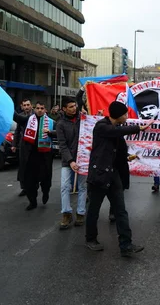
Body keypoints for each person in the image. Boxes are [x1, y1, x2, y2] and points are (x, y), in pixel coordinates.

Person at [85, 101, 153, 256]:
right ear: (120, 115)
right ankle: (90, 239)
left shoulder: (116, 129)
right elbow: (114, 132)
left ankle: (126, 245)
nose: (127, 117)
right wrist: (138, 128)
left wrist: (128, 157)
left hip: (114, 174)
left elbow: (118, 150)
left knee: (121, 211)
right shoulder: (102, 126)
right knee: (93, 210)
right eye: (125, 114)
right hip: (100, 175)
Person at [13, 101, 56, 211]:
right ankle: (32, 201)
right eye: (37, 108)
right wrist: (6, 106)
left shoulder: (51, 122)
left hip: (45, 157)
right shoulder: (28, 120)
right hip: (30, 157)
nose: (40, 110)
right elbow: (16, 118)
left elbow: (60, 132)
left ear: (45, 110)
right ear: (34, 109)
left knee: (46, 181)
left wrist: (50, 132)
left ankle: (45, 193)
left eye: (42, 108)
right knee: (30, 181)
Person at [57, 96, 86, 229]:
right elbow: (62, 145)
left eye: (75, 106)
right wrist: (70, 161)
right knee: (64, 186)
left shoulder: (83, 118)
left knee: (82, 187)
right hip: (67, 161)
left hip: (83, 159)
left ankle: (80, 213)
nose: (74, 108)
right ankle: (66, 213)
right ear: (64, 109)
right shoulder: (61, 124)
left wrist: (93, 117)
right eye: (71, 107)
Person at [12, 99, 33, 197]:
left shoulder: (35, 115)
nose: (26, 107)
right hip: (23, 145)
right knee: (22, 167)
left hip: (33, 146)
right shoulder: (20, 117)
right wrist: (14, 145)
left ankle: (33, 186)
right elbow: (17, 132)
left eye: (28, 105)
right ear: (22, 106)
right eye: (24, 105)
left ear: (31, 106)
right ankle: (24, 187)